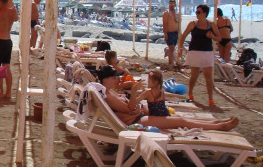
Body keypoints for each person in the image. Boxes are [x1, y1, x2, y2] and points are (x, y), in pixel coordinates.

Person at [100, 67, 238, 131]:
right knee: (181, 121)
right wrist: (134, 92)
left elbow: (128, 106)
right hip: (136, 120)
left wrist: (128, 98)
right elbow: (130, 109)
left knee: (180, 118)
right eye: (114, 77)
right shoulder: (108, 96)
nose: (117, 79)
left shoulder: (109, 92)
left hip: (139, 115)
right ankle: (220, 126)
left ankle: (217, 122)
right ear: (105, 79)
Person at [179, 4, 220, 105]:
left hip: (207, 52)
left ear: (205, 13)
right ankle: (190, 93)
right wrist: (180, 48)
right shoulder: (192, 24)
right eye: (196, 12)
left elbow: (219, 38)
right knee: (194, 75)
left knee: (208, 76)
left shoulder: (212, 25)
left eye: (199, 12)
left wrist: (212, 36)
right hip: (194, 51)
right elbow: (183, 36)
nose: (196, 14)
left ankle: (210, 99)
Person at [162, 0, 179, 69]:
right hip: (169, 32)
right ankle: (171, 63)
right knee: (171, 48)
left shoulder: (176, 13)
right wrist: (165, 33)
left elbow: (178, 23)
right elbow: (164, 24)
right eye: (170, 4)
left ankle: (172, 61)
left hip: (175, 32)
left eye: (173, 4)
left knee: (173, 48)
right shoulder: (166, 13)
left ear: (175, 5)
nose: (171, 5)